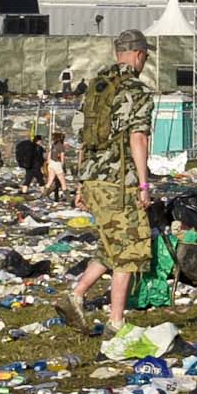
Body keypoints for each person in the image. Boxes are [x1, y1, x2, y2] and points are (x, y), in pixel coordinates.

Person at [69, 30, 157, 334]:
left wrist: (81, 184)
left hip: (93, 179)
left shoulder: (96, 87)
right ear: (139, 55)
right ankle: (117, 322)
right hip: (119, 183)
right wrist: (144, 185)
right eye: (146, 56)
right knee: (130, 249)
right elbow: (138, 138)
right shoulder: (137, 91)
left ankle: (76, 295)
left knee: (111, 245)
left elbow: (84, 138)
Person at [45, 131, 69, 197]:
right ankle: (68, 198)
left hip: (51, 163)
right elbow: (62, 157)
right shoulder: (61, 146)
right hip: (57, 164)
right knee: (63, 181)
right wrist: (62, 166)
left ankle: (44, 195)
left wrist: (48, 161)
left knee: (50, 180)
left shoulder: (53, 144)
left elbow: (49, 153)